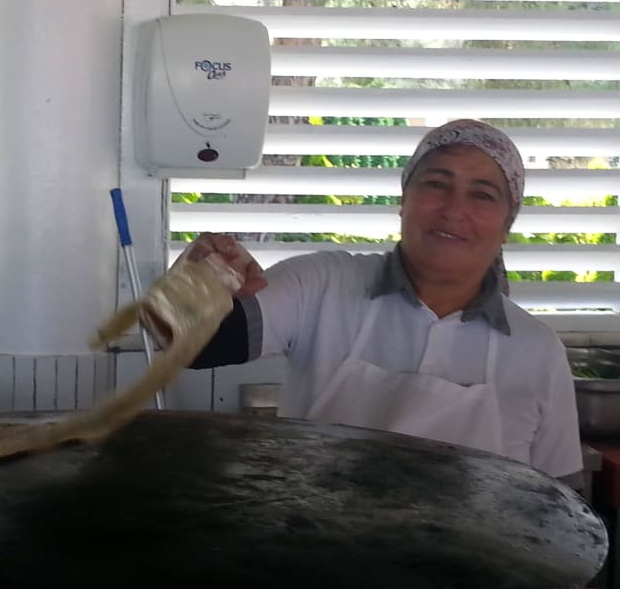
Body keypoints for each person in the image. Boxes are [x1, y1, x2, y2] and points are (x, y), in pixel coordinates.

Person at [183, 118, 583, 488]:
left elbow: (561, 506)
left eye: (482, 194)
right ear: (404, 199)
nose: (453, 209)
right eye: (436, 184)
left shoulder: (537, 350)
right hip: (321, 536)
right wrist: (198, 283)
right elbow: (195, 344)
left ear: (507, 224)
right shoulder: (322, 284)